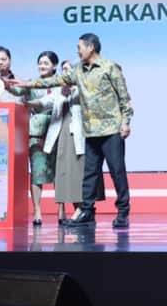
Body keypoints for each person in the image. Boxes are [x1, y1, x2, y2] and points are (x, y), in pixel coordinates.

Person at [12, 33, 133, 228]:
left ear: (90, 47)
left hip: (111, 129)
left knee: (117, 172)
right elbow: (54, 81)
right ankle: (87, 212)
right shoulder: (77, 71)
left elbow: (124, 97)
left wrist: (125, 122)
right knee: (90, 174)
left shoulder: (110, 67)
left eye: (80, 47)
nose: (77, 51)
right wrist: (27, 84)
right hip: (90, 131)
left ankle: (123, 212)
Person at [48, 60, 104, 224]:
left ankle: (84, 209)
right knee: (67, 172)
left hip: (82, 134)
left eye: (68, 69)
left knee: (81, 171)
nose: (65, 73)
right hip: (64, 134)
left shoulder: (85, 87)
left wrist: (77, 90)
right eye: (63, 70)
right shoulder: (60, 90)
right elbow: (46, 101)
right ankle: (81, 211)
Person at [23, 51, 60, 226]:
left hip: (58, 127)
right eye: (40, 63)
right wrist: (6, 84)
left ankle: (62, 209)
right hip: (37, 132)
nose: (42, 66)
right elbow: (17, 91)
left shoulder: (62, 82)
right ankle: (37, 210)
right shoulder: (32, 84)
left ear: (54, 66)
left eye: (46, 63)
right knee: (37, 171)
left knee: (60, 171)